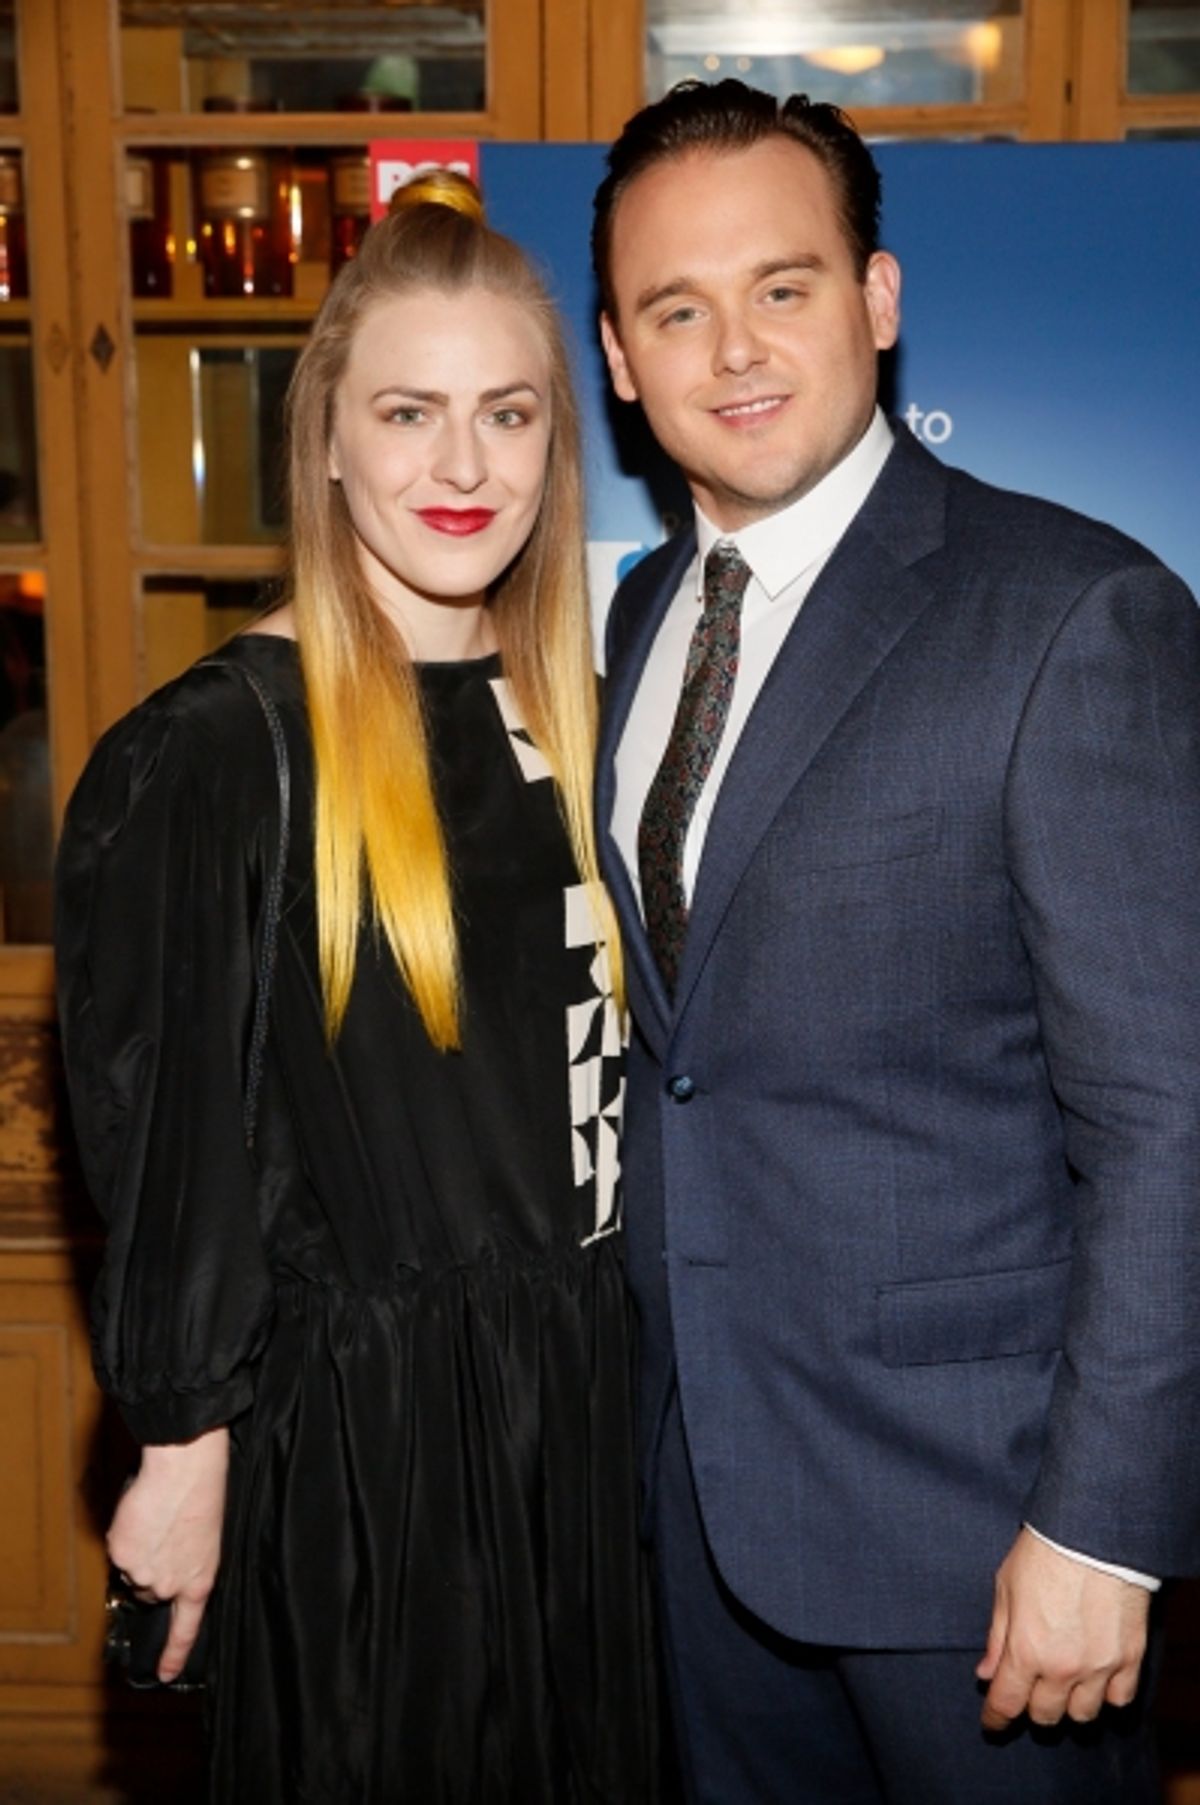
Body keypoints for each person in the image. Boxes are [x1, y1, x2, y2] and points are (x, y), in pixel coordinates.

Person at [592, 78, 1200, 1803]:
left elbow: (1174, 1113)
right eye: (675, 309)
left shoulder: (1075, 610)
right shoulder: (640, 614)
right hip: (700, 1498)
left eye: (783, 287)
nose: (734, 350)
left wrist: (1103, 1525)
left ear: (876, 300)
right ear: (621, 362)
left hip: (983, 1536)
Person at [56, 173, 658, 1803]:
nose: (463, 466)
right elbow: (166, 1134)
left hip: (593, 1424)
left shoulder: (587, 718)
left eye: (508, 412)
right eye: (409, 411)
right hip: (384, 1467)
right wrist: (181, 1451)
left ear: (557, 440)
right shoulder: (213, 756)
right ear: (327, 439)